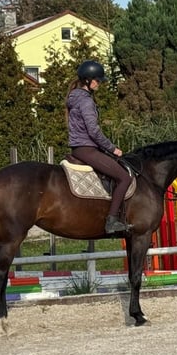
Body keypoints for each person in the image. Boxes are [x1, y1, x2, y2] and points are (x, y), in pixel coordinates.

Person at [67, 60, 134, 234]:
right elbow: (94, 131)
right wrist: (112, 148)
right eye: (97, 80)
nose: (99, 83)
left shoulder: (75, 97)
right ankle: (111, 221)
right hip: (86, 148)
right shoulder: (86, 101)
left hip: (79, 148)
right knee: (124, 178)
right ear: (87, 80)